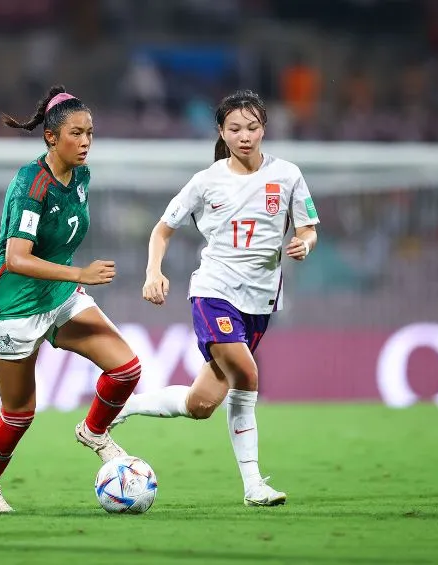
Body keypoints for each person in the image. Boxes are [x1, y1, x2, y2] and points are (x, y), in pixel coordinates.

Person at [110, 90, 320, 507]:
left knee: (201, 403)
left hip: (260, 303)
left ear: (264, 128)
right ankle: (253, 485)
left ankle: (126, 406)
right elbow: (161, 229)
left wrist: (304, 243)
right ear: (221, 132)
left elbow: (308, 227)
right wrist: (154, 272)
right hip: (214, 292)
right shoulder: (206, 181)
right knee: (248, 373)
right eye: (235, 129)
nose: (245, 136)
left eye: (253, 127)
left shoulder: (288, 175)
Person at [0, 85, 143, 513]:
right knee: (19, 414)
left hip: (59, 296)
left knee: (126, 369)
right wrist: (80, 274)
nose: (85, 143)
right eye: (76, 134)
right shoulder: (32, 185)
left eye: (90, 134)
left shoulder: (81, 175)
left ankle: (94, 432)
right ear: (51, 137)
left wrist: (71, 281)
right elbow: (17, 258)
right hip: (12, 307)